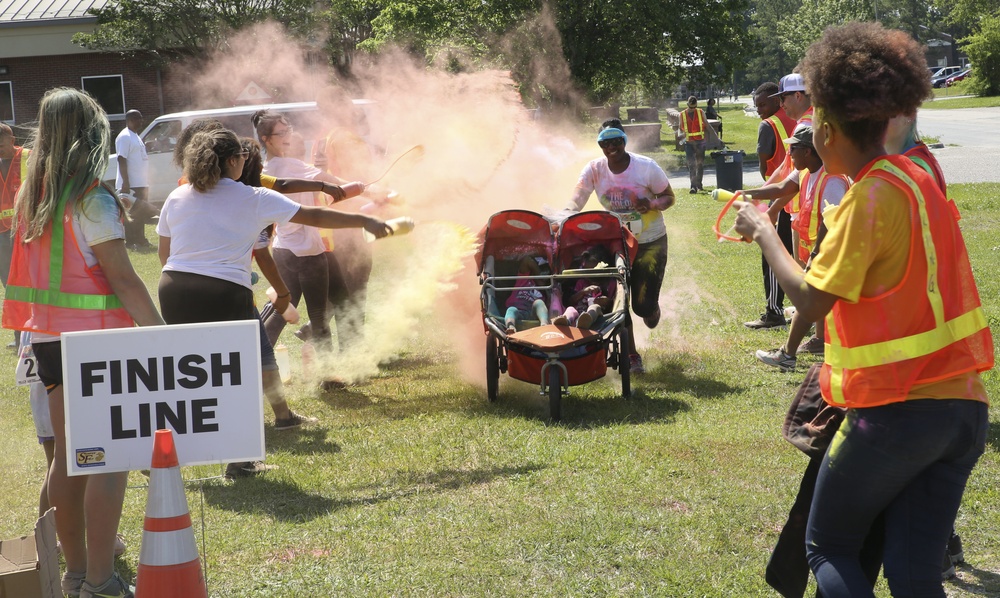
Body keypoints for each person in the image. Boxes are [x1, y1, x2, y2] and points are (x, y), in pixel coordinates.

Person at [734, 22, 993, 596]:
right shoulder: (918, 176)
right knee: (912, 573)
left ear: (826, 127)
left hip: (897, 414)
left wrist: (763, 232)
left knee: (828, 546)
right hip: (963, 412)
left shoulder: (868, 195)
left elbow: (811, 298)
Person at [3, 87, 165, 598]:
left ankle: (73, 574)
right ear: (91, 133)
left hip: (47, 342)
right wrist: (164, 337)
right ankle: (101, 579)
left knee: (72, 459)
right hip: (97, 348)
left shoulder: (34, 195)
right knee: (107, 461)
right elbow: (124, 279)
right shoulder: (92, 197)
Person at [156, 128, 389, 474]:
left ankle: (172, 447)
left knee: (194, 371)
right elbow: (315, 216)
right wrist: (365, 219)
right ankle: (240, 461)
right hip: (223, 291)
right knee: (236, 374)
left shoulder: (177, 196)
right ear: (234, 161)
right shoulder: (252, 197)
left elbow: (165, 254)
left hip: (173, 288)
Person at [566, 119, 676, 374]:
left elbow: (669, 197)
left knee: (642, 307)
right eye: (605, 143)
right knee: (621, 297)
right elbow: (578, 196)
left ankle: (651, 308)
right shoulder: (594, 169)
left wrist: (651, 204)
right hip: (616, 242)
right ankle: (631, 354)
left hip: (650, 242)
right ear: (600, 145)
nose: (611, 147)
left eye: (616, 141)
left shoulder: (646, 167)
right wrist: (566, 212)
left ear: (624, 141)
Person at [742, 125, 849, 371]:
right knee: (816, 299)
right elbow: (780, 190)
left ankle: (787, 354)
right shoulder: (805, 173)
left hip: (830, 249)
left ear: (809, 152)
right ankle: (820, 340)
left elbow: (828, 221)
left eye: (793, 150)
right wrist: (746, 193)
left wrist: (815, 255)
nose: (789, 154)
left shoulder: (832, 180)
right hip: (817, 249)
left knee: (808, 299)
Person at [253, 110, 355, 356]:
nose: (288, 136)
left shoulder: (265, 169)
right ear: (266, 138)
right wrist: (371, 191)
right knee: (319, 313)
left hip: (284, 249)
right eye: (281, 133)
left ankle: (258, 361)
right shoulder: (292, 166)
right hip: (307, 251)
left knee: (288, 307)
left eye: (288, 130)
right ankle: (330, 375)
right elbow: (337, 185)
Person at [743, 80, 803, 330]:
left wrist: (767, 199)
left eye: (762, 104)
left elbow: (766, 162)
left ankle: (775, 312)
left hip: (787, 199)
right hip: (801, 198)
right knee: (800, 258)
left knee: (774, 256)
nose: (759, 109)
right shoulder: (800, 120)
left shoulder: (769, 124)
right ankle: (805, 310)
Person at [0, 123, 29, 349]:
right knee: (10, 286)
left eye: (1, 144)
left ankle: (32, 330)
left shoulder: (28, 158)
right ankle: (20, 335)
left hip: (25, 231)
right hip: (2, 235)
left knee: (30, 282)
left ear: (12, 140)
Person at [115, 109, 154, 251]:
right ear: (130, 120)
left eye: (141, 118)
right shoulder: (124, 136)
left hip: (141, 183)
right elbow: (121, 159)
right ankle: (131, 242)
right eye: (138, 118)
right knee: (132, 214)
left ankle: (141, 240)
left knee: (141, 214)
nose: (141, 121)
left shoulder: (135, 136)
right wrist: (125, 182)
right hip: (131, 184)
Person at [551, 245, 616, 329]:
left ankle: (587, 320)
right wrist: (583, 292)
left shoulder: (609, 284)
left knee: (594, 307)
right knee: (570, 309)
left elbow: (613, 304)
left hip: (597, 314)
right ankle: (565, 321)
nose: (588, 275)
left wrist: (606, 301)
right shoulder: (581, 282)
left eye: (592, 271)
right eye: (585, 270)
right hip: (578, 311)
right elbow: (570, 301)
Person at [504, 256, 551, 334]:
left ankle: (544, 325)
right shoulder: (524, 279)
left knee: (539, 303)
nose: (544, 277)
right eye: (543, 273)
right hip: (518, 311)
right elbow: (527, 260)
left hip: (533, 314)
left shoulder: (547, 289)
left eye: (546, 275)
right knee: (511, 310)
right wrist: (538, 275)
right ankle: (511, 327)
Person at [678, 96, 707, 193]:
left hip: (700, 142)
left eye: (694, 107)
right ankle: (693, 186)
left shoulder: (701, 112)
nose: (692, 109)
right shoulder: (682, 114)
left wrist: (716, 137)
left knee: (700, 164)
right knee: (691, 164)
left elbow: (707, 124)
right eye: (691, 107)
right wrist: (680, 138)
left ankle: (699, 184)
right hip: (689, 143)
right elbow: (680, 128)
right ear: (687, 105)